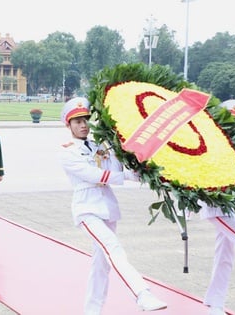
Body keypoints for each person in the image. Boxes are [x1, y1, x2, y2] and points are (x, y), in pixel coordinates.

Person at [57, 97, 167, 314]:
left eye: (86, 120)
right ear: (68, 125)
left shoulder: (101, 144)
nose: (83, 125)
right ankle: (142, 293)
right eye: (77, 121)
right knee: (112, 247)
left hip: (107, 207)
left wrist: (140, 170)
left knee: (101, 265)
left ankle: (92, 311)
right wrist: (125, 175)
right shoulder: (67, 151)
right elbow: (93, 175)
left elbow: (116, 167)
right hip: (87, 209)